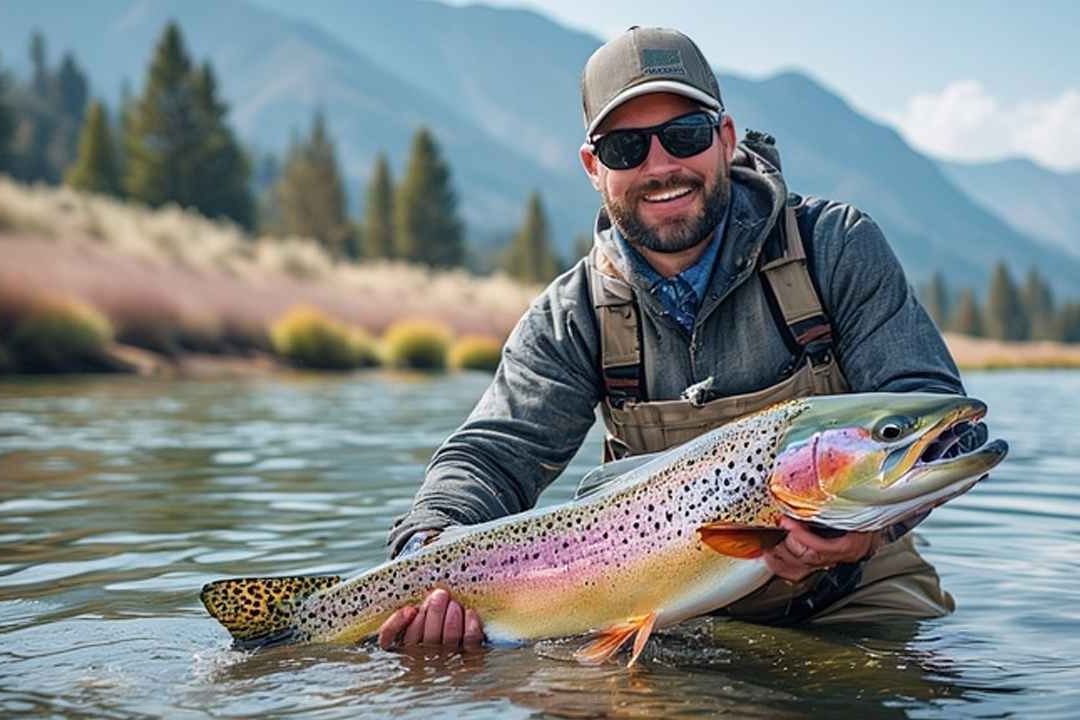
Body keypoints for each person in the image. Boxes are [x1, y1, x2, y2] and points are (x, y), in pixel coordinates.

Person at [378, 27, 967, 651]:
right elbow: (492, 455)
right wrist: (424, 558)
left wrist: (868, 532)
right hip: (664, 619)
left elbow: (935, 411)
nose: (660, 167)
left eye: (684, 135)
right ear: (592, 167)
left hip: (855, 595)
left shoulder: (834, 247)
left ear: (725, 138)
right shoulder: (571, 314)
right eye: (626, 148)